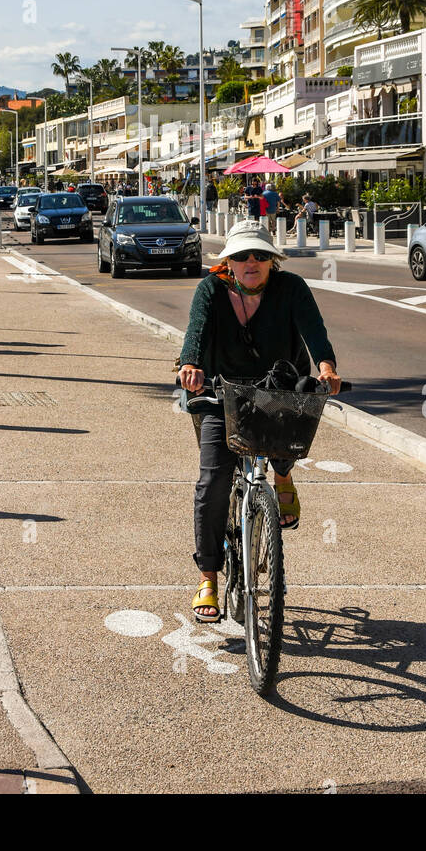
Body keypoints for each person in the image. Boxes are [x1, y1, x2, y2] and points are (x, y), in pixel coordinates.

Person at [178, 219, 340, 622]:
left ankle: (283, 476)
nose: (251, 262)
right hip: (221, 394)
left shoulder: (291, 289)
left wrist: (327, 367)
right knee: (213, 479)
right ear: (228, 261)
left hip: (278, 390)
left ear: (272, 260)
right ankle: (209, 577)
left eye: (260, 255)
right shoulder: (210, 291)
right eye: (241, 256)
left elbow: (314, 333)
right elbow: (194, 336)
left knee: (289, 436)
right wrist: (190, 366)